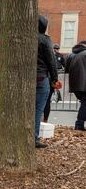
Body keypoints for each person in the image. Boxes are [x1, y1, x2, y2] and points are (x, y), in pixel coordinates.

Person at [35, 15, 59, 148]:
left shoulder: (26, 37)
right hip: (41, 77)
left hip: (28, 78)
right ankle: (34, 138)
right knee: (38, 109)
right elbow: (51, 60)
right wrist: (55, 78)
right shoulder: (44, 39)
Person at [65, 40, 86, 131]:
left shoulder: (70, 55)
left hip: (75, 84)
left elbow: (66, 69)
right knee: (85, 104)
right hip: (84, 84)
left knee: (84, 104)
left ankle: (79, 124)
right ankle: (79, 124)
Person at [43, 43, 65, 123]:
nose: (56, 50)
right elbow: (53, 69)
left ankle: (43, 119)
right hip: (48, 79)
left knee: (43, 100)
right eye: (55, 48)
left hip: (44, 78)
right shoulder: (51, 56)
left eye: (57, 48)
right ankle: (44, 120)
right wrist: (55, 80)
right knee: (46, 100)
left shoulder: (45, 54)